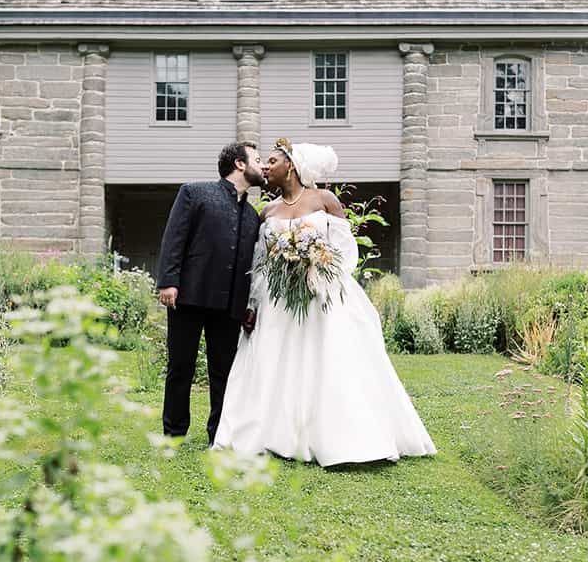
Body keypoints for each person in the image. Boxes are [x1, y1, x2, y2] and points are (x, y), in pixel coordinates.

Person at [214, 139, 436, 467]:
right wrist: (253, 304)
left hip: (321, 297)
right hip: (279, 301)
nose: (265, 167)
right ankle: (276, 433)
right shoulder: (268, 212)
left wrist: (314, 269)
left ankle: (340, 437)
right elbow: (259, 265)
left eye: (272, 161)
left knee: (326, 360)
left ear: (290, 165)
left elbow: (346, 252)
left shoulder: (325, 201)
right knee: (276, 361)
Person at [157, 140, 264, 444]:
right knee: (181, 367)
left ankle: (219, 433)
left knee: (224, 372)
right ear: (239, 164)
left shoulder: (254, 216)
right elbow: (174, 237)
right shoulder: (194, 192)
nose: (262, 166)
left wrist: (248, 304)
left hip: (230, 305)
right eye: (257, 159)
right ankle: (173, 434)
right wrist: (168, 281)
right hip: (189, 296)